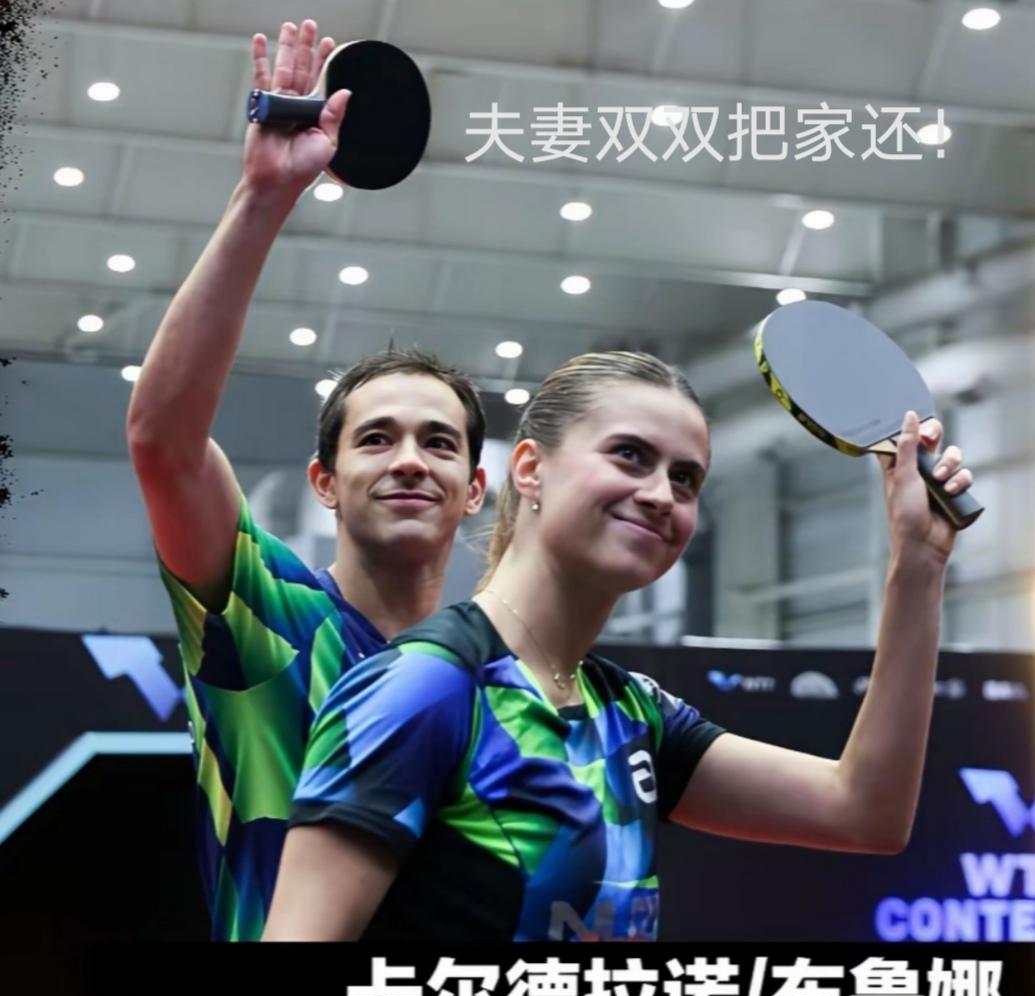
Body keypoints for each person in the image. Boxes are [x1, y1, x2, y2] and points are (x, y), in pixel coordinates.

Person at [263, 349, 973, 942]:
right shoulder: (424, 687)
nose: (661, 494)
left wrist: (917, 564)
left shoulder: (630, 712)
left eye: (684, 478)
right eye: (629, 456)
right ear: (530, 468)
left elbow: (865, 813)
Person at [125, 19, 487, 941]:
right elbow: (164, 442)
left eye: (439, 443)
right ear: (324, 482)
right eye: (377, 439)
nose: (410, 459)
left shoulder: (501, 679)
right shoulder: (266, 620)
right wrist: (262, 198)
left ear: (475, 488)